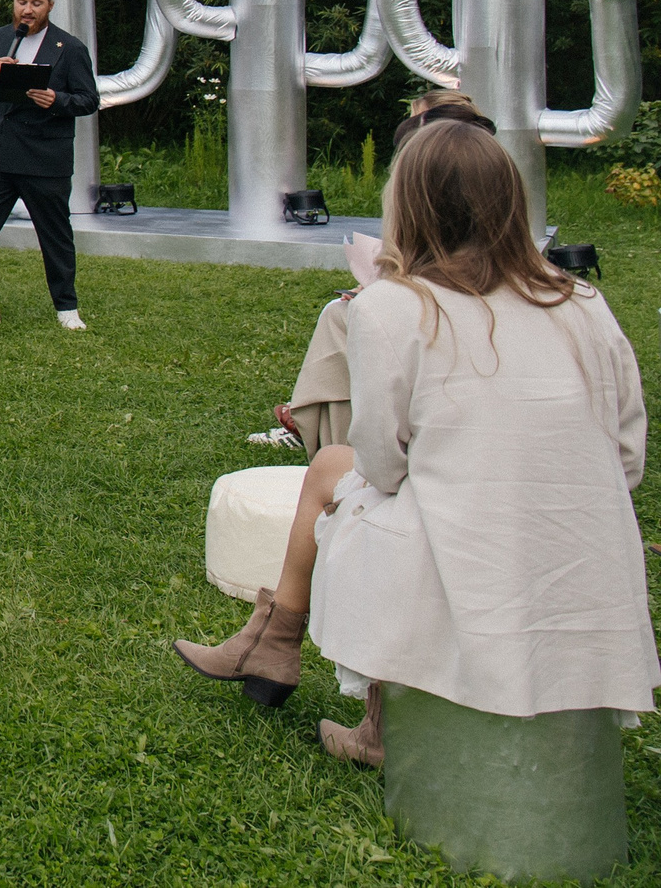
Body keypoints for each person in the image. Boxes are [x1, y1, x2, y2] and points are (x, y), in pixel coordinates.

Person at [172, 119, 657, 767]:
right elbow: (626, 459)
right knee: (335, 473)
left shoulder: (392, 307)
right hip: (589, 564)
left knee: (334, 475)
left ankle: (302, 662)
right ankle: (275, 645)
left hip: (471, 562)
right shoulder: (585, 301)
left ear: (408, 207)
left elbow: (381, 464)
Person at [252, 91, 501, 450]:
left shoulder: (439, 187)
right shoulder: (493, 180)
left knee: (342, 318)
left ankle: (333, 444)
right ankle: (311, 422)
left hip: (448, 316)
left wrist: (384, 292)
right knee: (347, 312)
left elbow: (449, 273)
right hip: (448, 305)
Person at [0, 0, 97, 333]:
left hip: (44, 156)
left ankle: (67, 307)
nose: (27, 10)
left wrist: (57, 100)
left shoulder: (71, 48)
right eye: (22, 2)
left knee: (54, 233)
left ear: (50, 5)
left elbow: (89, 100)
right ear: (13, 3)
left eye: (36, 3)